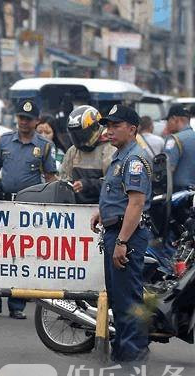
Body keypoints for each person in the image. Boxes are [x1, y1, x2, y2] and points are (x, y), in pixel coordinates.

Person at [0, 99, 57, 319]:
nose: (23, 122)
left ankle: (16, 304)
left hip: (29, 208)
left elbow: (50, 178)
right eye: (21, 117)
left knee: (21, 255)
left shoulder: (44, 146)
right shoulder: (5, 141)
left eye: (28, 119)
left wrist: (52, 205)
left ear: (36, 121)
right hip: (3, 203)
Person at [90, 104, 152, 362]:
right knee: (118, 297)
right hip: (115, 230)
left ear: (132, 129)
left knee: (127, 299)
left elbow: (136, 203)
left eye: (116, 125)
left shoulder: (134, 159)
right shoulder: (121, 156)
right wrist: (103, 212)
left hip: (127, 235)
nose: (109, 130)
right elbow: (119, 196)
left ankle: (133, 355)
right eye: (108, 125)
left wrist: (122, 241)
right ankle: (124, 351)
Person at [60, 105, 116, 204]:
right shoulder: (73, 151)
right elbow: (63, 180)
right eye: (75, 136)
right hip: (74, 209)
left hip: (101, 208)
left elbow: (113, 184)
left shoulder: (110, 149)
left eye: (82, 135)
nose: (79, 140)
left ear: (95, 127)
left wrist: (87, 184)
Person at [162, 104, 195, 191]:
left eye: (168, 121)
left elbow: (167, 169)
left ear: (175, 119)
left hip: (180, 193)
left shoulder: (174, 139)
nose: (167, 124)